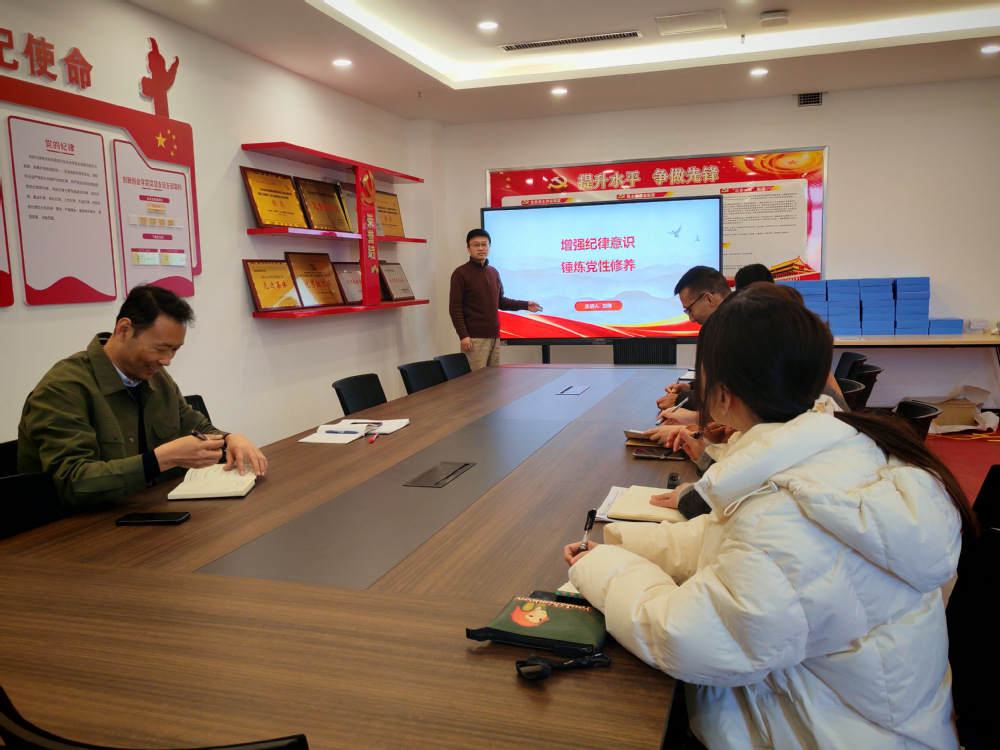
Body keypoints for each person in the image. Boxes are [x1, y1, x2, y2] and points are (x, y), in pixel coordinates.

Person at [564, 284, 974, 749]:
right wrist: (624, 542)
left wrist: (603, 569)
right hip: (870, 716)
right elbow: (730, 542)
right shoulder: (841, 448)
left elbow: (687, 638)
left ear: (721, 395)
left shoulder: (784, 514)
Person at [18, 285, 267, 510]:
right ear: (124, 330)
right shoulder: (62, 389)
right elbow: (72, 482)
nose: (167, 360)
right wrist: (161, 460)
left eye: (175, 350)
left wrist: (230, 438)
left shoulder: (154, 376)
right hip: (77, 530)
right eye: (160, 348)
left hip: (150, 512)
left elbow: (193, 425)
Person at [448, 228, 541, 369]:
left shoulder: (493, 272)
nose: (481, 248)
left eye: (484, 244)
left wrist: (525, 305)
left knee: (493, 378)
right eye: (476, 245)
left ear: (489, 247)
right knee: (476, 379)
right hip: (474, 339)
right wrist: (463, 335)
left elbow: (500, 302)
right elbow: (455, 309)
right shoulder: (460, 273)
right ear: (468, 248)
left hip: (494, 336)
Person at [655, 266, 732, 422]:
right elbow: (724, 377)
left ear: (709, 299)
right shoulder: (727, 320)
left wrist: (684, 399)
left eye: (689, 310)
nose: (691, 319)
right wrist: (693, 387)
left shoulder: (737, 327)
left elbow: (732, 397)